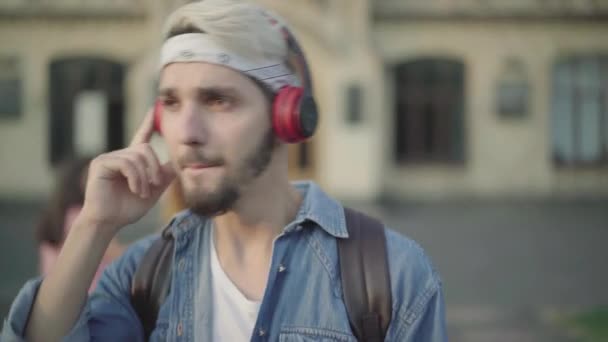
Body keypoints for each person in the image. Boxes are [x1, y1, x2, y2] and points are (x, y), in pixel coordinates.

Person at [1, 1, 446, 341]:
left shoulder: (391, 275)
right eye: (171, 103)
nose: (187, 132)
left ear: (286, 115)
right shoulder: (143, 275)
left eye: (218, 100)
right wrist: (95, 224)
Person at [36, 156, 125, 293]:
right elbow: (117, 254)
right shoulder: (87, 217)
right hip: (90, 300)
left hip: (56, 299)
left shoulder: (56, 217)